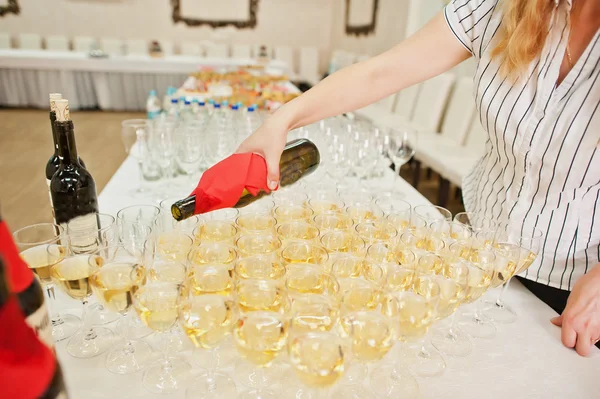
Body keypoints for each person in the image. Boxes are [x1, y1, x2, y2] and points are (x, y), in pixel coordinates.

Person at [237, 0, 600, 356]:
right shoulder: (499, 7)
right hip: (480, 255)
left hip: (576, 285)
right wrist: (282, 120)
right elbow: (382, 72)